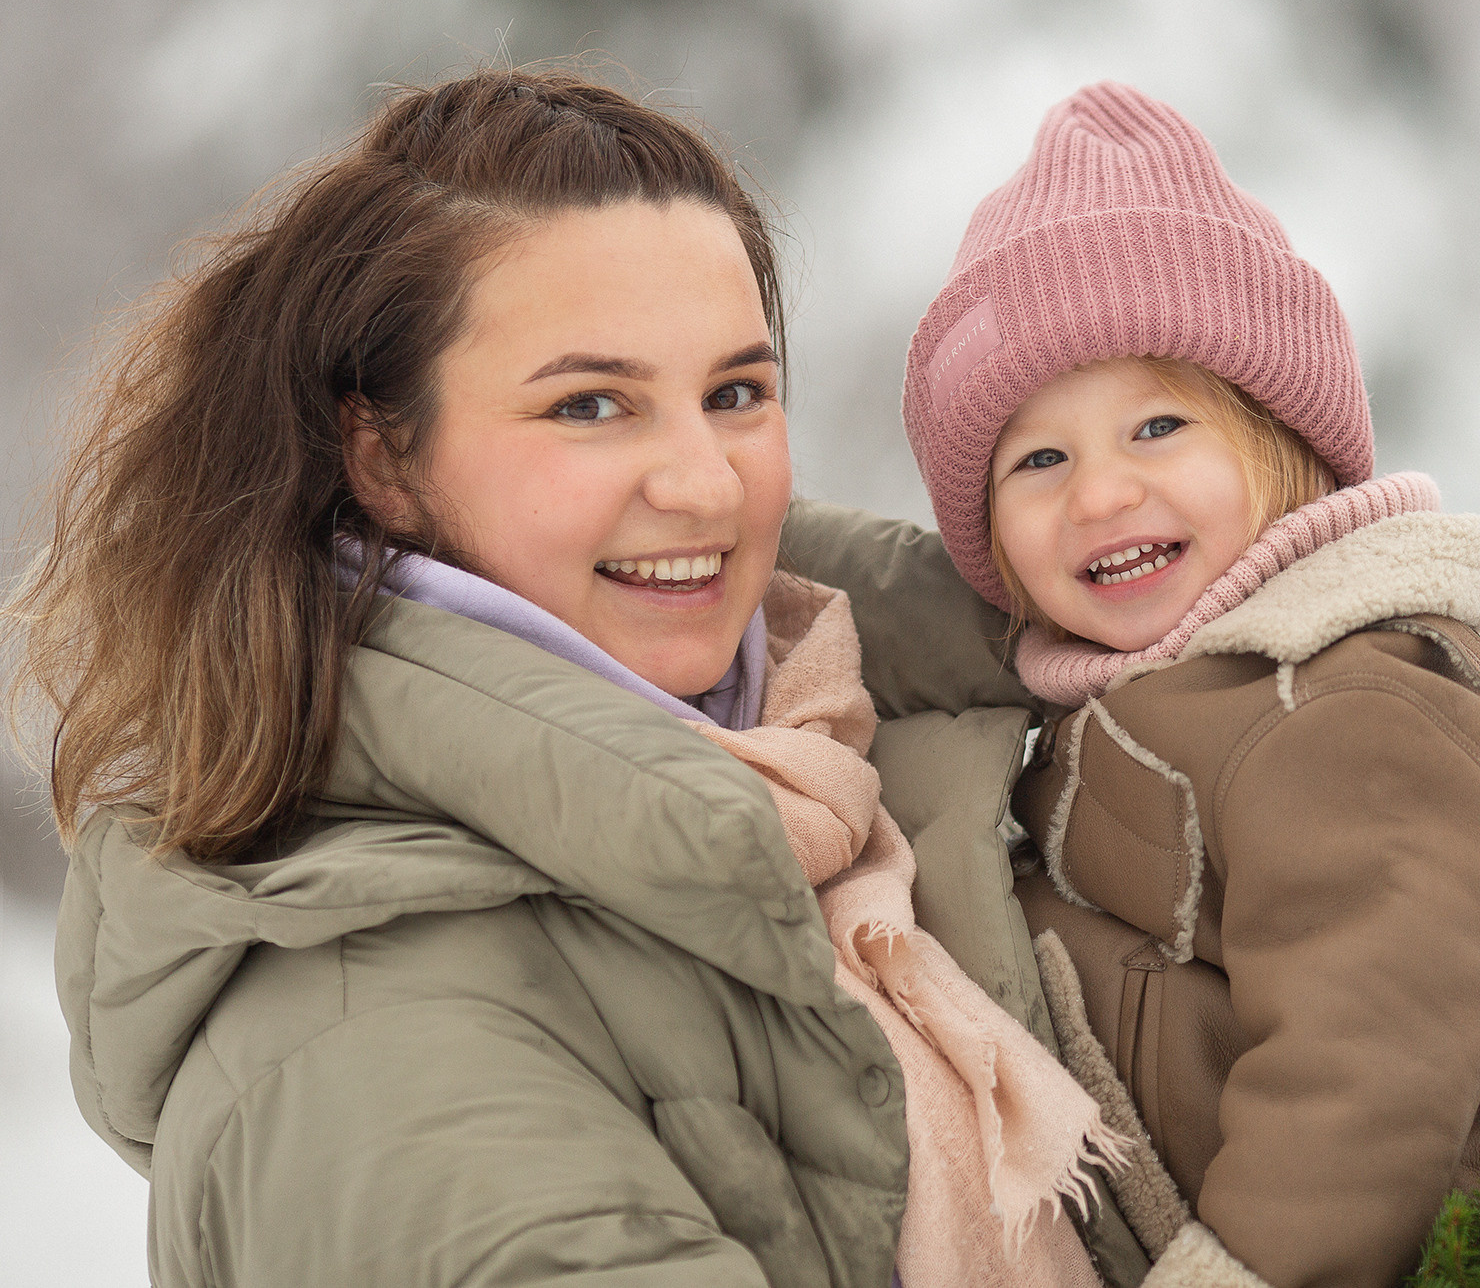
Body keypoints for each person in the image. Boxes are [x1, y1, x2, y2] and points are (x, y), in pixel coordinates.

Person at [10, 69, 1137, 1288]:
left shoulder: (846, 775)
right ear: (382, 459)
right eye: (590, 404)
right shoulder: (386, 1043)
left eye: (735, 394)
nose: (704, 483)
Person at [897, 83, 1480, 1288]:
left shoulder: (1344, 709)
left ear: (1281, 442)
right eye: (1039, 459)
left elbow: (1369, 1058)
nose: (1100, 493)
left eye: (1158, 427)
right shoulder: (1146, 703)